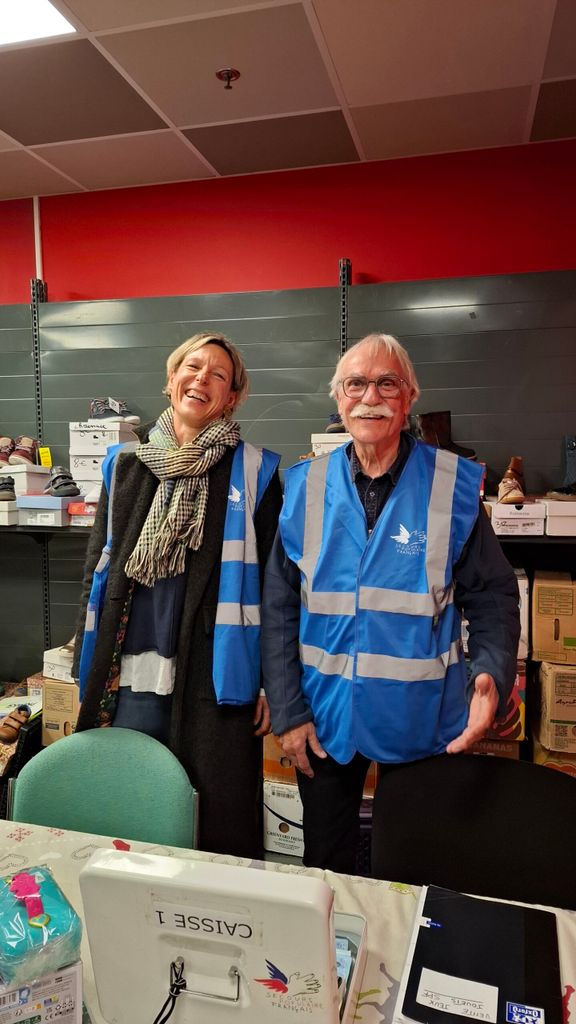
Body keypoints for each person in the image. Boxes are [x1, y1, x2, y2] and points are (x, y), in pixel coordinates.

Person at [261, 332, 520, 873]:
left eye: (387, 384)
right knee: (325, 869)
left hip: (423, 720)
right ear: (338, 399)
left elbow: (492, 596)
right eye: (355, 384)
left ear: (409, 398)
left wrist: (491, 672)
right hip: (324, 720)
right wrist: (286, 712)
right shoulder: (304, 487)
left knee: (415, 868)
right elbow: (280, 609)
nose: (370, 397)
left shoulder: (451, 486)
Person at [73, 333, 282, 858]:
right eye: (192, 367)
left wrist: (271, 684)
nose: (201, 379)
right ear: (171, 380)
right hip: (127, 670)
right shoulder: (124, 463)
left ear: (231, 398)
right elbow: (97, 567)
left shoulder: (255, 471)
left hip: (213, 671)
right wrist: (85, 663)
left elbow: (276, 590)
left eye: (218, 375)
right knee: (127, 812)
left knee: (213, 823)